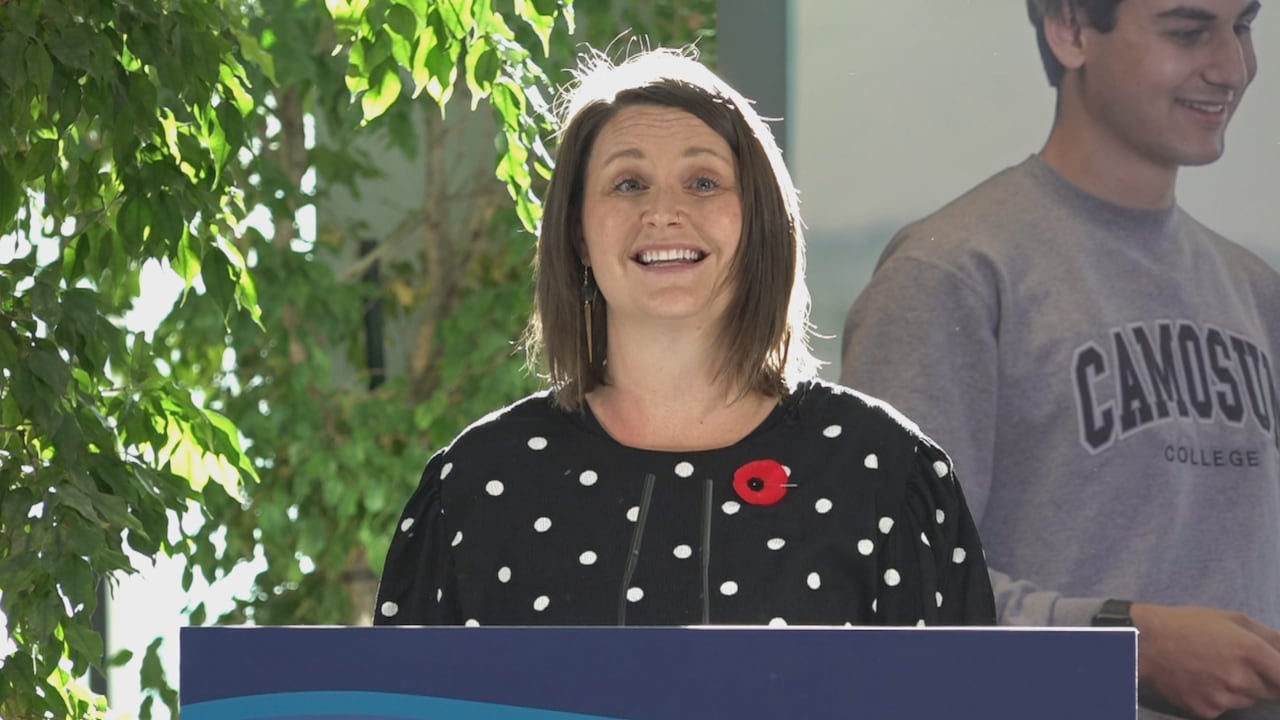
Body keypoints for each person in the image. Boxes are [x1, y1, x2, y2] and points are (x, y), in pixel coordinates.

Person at [374, 48, 995, 629]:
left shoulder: (885, 474)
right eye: (628, 183)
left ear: (758, 222)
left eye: (703, 182)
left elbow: (958, 695)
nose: (664, 211)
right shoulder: (477, 484)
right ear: (578, 235)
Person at [841, 1, 1280, 717]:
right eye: (1188, 32)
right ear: (1071, 29)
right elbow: (888, 582)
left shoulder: (1256, 293)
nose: (1232, 67)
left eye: (1243, 27)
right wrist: (1126, 644)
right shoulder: (953, 274)